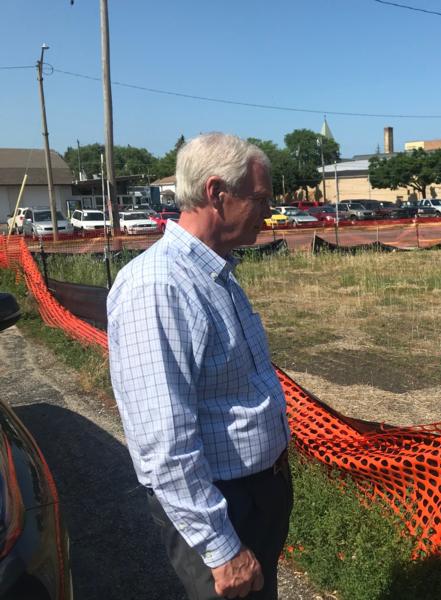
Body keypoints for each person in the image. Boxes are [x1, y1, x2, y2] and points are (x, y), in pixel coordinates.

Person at [107, 133, 292, 600]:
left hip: (254, 494)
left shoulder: (215, 273)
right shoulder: (159, 286)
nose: (267, 213)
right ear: (216, 193)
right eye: (260, 199)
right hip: (219, 504)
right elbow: (163, 442)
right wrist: (221, 547)